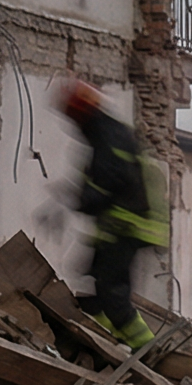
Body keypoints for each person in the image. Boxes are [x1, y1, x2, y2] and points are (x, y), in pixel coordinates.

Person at [60, 81, 166, 350]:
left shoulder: (108, 139)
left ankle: (148, 350)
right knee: (93, 281)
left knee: (114, 294)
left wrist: (82, 200)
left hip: (124, 229)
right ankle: (100, 339)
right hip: (115, 229)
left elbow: (108, 185)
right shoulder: (107, 135)